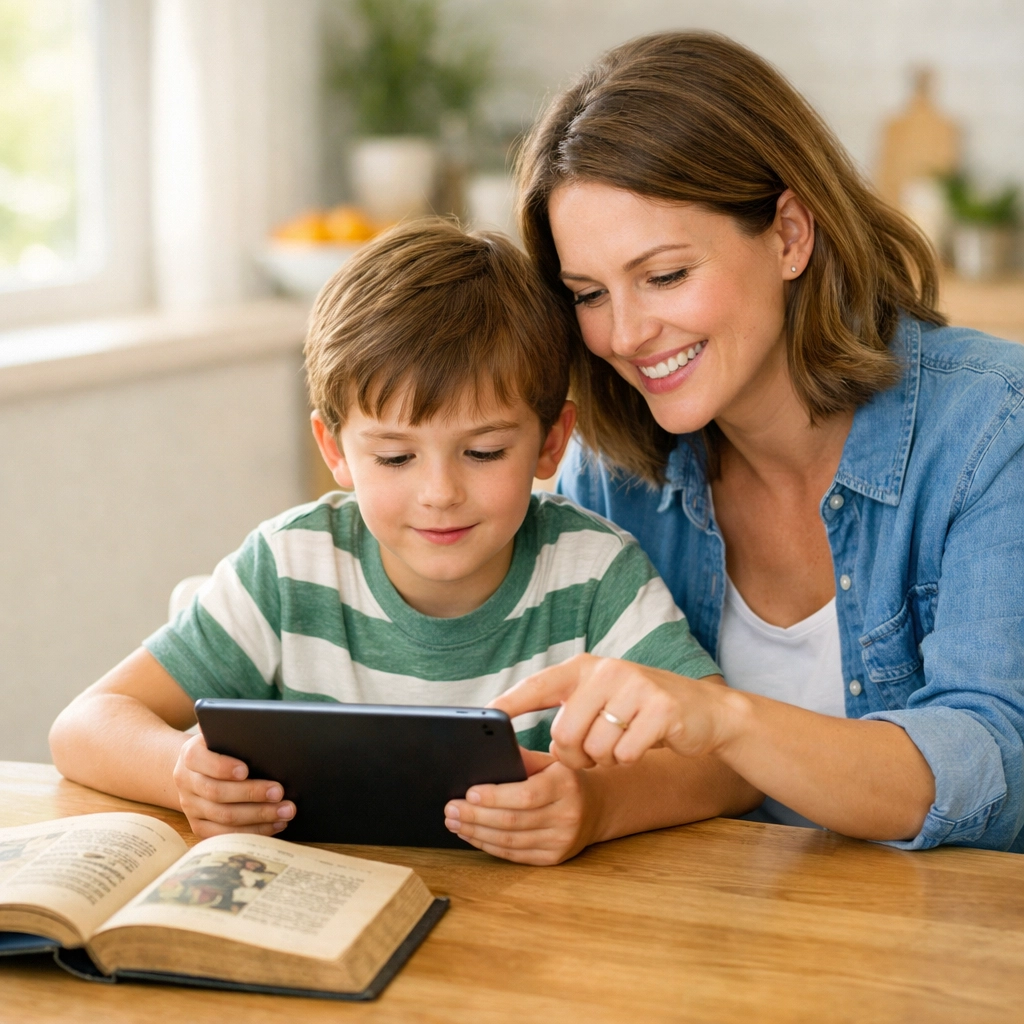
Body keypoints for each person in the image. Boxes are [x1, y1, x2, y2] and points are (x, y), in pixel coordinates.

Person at [49, 219, 746, 863]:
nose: (439, 492)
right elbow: (84, 726)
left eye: (483, 453)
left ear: (551, 442)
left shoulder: (594, 575)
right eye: (394, 458)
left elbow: (729, 762)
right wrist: (180, 771)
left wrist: (597, 805)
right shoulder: (290, 568)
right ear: (335, 449)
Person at [489, 31, 1024, 851]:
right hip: (726, 939)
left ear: (789, 234)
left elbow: (995, 762)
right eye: (589, 294)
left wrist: (724, 718)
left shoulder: (990, 430)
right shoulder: (613, 469)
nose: (626, 335)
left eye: (665, 275)